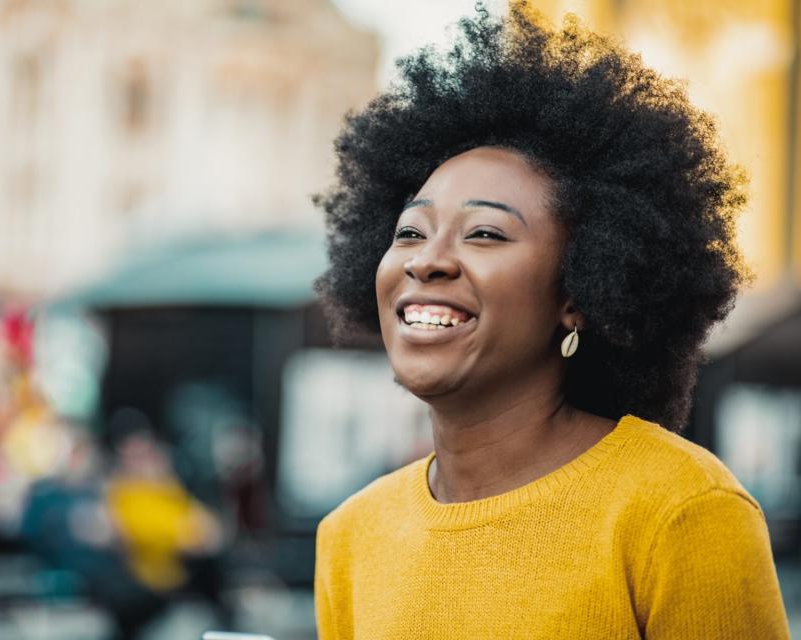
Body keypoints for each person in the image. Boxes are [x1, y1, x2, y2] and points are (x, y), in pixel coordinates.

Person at [311, 2, 791, 638]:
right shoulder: (350, 535)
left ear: (579, 292)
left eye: (484, 233)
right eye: (408, 232)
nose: (427, 260)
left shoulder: (681, 509)